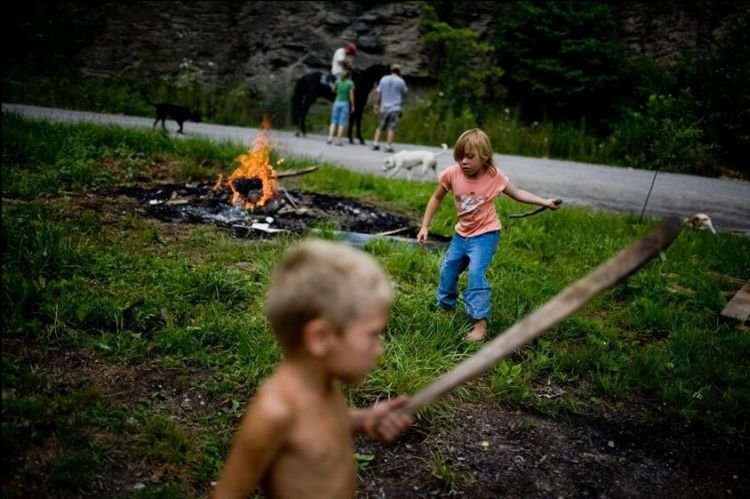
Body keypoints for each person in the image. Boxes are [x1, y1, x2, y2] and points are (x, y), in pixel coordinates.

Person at [212, 239, 413, 499]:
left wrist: (364, 420)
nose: (379, 348)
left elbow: (319, 427)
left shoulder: (323, 383)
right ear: (320, 338)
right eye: (372, 334)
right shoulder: (274, 412)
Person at [416, 128, 560, 342]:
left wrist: (544, 201)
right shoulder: (451, 174)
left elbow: (518, 192)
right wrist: (425, 226)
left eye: (469, 157)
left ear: (484, 157)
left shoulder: (494, 176)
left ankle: (480, 324)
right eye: (459, 156)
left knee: (475, 273)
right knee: (448, 269)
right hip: (461, 235)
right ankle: (445, 307)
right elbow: (436, 198)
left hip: (485, 235)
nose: (463, 161)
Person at [371, 65, 408, 153]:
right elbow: (405, 93)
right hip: (395, 108)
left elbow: (378, 93)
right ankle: (388, 146)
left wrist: (377, 105)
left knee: (380, 126)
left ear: (391, 71)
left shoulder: (383, 79)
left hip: (384, 107)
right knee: (392, 127)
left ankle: (375, 144)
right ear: (399, 72)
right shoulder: (401, 81)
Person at [327, 70, 355, 146]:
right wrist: (352, 105)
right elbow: (351, 95)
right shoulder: (350, 83)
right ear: (349, 76)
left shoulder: (337, 81)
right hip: (345, 103)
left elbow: (333, 89)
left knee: (333, 121)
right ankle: (338, 140)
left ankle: (330, 138)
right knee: (342, 123)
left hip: (337, 101)